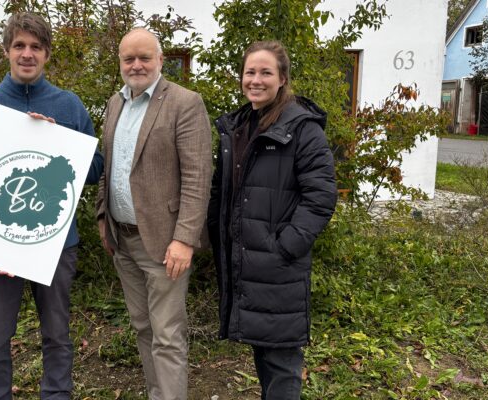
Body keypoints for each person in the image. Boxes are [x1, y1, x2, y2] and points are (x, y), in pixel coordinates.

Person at [0, 12, 103, 400]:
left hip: (55, 244)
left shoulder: (69, 105)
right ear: (6, 51)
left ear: (47, 54)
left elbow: (95, 169)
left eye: (36, 46)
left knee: (57, 335)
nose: (27, 54)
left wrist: (59, 142)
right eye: (19, 45)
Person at [207, 40, 337, 399]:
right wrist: (218, 236)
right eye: (250, 72)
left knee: (281, 365)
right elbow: (222, 189)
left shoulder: (303, 130)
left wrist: (285, 248)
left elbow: (321, 199)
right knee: (264, 357)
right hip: (245, 263)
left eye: (266, 72)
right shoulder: (239, 126)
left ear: (282, 79)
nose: (256, 80)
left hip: (278, 267)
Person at [95, 28, 212, 400]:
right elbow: (108, 166)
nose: (137, 65)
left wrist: (184, 239)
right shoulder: (115, 104)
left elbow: (197, 176)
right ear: (120, 62)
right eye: (128, 58)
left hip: (165, 243)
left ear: (161, 60)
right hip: (123, 240)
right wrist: (103, 218)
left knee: (167, 335)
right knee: (143, 328)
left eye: (144, 57)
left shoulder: (184, 103)